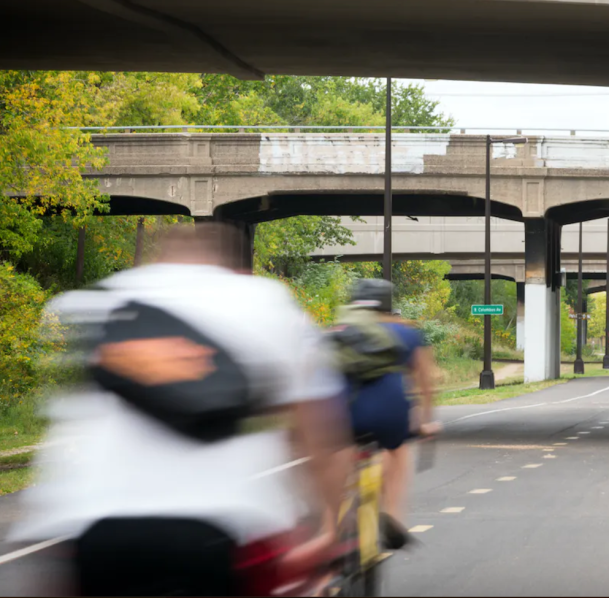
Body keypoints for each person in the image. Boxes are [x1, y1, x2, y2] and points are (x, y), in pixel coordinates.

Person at [10, 223, 353, 596]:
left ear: (156, 260)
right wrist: (330, 526)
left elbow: (65, 426)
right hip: (223, 525)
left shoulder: (100, 301)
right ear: (234, 267)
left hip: (95, 526)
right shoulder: (266, 301)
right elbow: (315, 436)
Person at [329, 278, 441, 551]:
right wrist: (425, 421)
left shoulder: (338, 330)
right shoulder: (408, 333)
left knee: (338, 455)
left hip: (342, 411)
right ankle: (392, 516)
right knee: (398, 450)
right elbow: (426, 382)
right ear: (388, 304)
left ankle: (329, 528)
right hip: (389, 411)